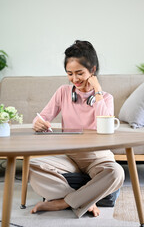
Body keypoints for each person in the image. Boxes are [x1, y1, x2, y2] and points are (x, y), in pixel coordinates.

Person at [29, 40, 125, 218]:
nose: (75, 79)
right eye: (70, 73)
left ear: (93, 70)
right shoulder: (63, 92)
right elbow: (42, 117)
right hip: (70, 156)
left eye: (79, 73)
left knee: (117, 173)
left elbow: (107, 128)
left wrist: (97, 91)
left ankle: (63, 202)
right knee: (32, 166)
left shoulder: (106, 98)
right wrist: (38, 123)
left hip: (98, 156)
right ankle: (87, 198)